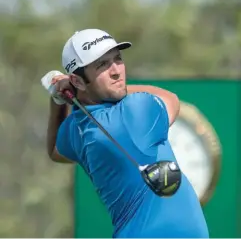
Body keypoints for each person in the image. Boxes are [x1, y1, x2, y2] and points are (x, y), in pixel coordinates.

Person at [41, 28, 209, 238]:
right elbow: (172, 100)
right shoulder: (134, 112)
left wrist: (57, 100)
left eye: (117, 59)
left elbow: (55, 149)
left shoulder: (77, 128)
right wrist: (122, 88)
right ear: (77, 81)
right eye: (102, 65)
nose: (116, 71)